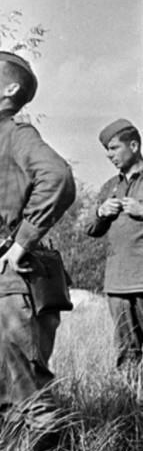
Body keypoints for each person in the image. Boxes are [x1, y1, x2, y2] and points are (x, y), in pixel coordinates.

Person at [0, 51, 75, 451]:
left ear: (11, 90)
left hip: (12, 279)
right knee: (2, 388)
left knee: (29, 386)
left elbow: (58, 177)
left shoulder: (15, 134)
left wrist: (23, 242)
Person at [85, 118, 143, 401]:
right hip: (118, 284)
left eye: (114, 148)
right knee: (127, 352)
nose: (109, 155)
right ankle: (131, 409)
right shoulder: (110, 186)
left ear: (133, 145)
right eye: (107, 150)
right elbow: (90, 229)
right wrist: (100, 213)